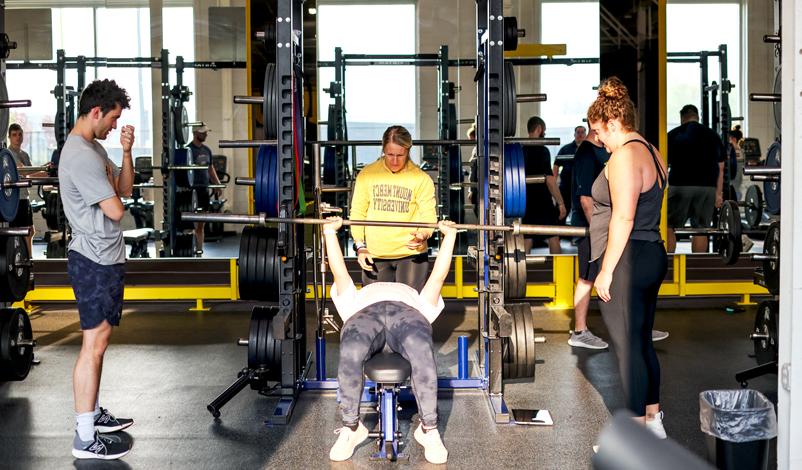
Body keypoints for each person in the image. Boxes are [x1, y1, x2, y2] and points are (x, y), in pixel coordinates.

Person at [326, 217, 455, 464]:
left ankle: (429, 429)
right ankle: (351, 428)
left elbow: (438, 277)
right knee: (352, 347)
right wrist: (329, 233)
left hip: (406, 312)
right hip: (365, 313)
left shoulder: (415, 297)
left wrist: (449, 237)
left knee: (420, 348)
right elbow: (339, 271)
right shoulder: (355, 298)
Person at [587, 77, 669, 439]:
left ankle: (636, 442)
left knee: (628, 350)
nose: (597, 139)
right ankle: (654, 423)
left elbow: (624, 216)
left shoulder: (624, 157)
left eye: (598, 131)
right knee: (641, 342)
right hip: (652, 252)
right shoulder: (652, 150)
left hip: (629, 258)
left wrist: (605, 271)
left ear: (613, 123)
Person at [59, 79, 135, 460]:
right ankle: (85, 436)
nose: (113, 125)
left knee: (100, 343)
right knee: (93, 344)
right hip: (92, 259)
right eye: (113, 119)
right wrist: (111, 185)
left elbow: (124, 186)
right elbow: (117, 209)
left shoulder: (96, 148)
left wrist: (124, 152)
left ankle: (93, 413)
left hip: (105, 255)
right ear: (95, 112)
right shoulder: (80, 155)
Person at [569, 128, 669, 349]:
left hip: (616, 230)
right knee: (588, 276)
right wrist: (600, 233)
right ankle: (580, 330)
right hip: (592, 227)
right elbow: (586, 199)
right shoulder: (586, 153)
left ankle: (637, 325)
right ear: (599, 128)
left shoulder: (622, 151)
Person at [350, 125, 437, 291]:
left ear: (408, 151)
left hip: (411, 255)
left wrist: (423, 234)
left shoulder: (421, 178)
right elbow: (358, 212)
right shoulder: (367, 174)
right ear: (383, 150)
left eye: (400, 155)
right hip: (375, 254)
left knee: (408, 310)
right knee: (375, 310)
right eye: (390, 155)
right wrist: (360, 247)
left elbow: (428, 215)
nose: (395, 161)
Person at [666, 104, 725, 253]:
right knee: (701, 228)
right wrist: (718, 194)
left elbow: (662, 166)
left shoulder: (673, 135)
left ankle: (668, 262)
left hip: (680, 185)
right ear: (697, 116)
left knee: (668, 225)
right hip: (707, 187)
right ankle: (698, 265)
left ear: (682, 118)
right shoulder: (713, 135)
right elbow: (721, 166)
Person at [522, 116, 566, 254]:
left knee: (527, 237)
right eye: (544, 130)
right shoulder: (543, 151)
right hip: (543, 202)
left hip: (526, 202)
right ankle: (560, 274)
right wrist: (561, 203)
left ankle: (520, 274)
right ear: (539, 129)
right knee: (553, 236)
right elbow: (550, 180)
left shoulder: (521, 150)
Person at [8, 123, 48, 253]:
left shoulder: (24, 154)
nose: (18, 138)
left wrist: (45, 169)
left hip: (24, 197)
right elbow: (25, 172)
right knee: (21, 233)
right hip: (14, 200)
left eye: (20, 134)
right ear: (9, 137)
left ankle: (29, 260)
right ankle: (25, 262)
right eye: (14, 135)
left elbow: (31, 174)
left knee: (30, 231)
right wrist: (44, 170)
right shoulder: (9, 154)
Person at [187, 124, 222, 255]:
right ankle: (189, 249)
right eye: (203, 132)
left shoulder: (207, 150)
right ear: (195, 133)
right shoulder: (188, 150)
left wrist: (217, 184)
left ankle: (199, 250)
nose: (206, 134)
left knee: (201, 224)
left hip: (203, 190)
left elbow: (210, 168)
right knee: (189, 223)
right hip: (190, 191)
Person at [553, 125, 587, 220]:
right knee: (560, 214)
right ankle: (561, 234)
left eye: (582, 132)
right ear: (574, 134)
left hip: (582, 187)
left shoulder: (589, 149)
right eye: (578, 132)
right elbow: (556, 165)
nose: (580, 134)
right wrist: (554, 183)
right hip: (566, 187)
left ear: (586, 134)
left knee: (581, 214)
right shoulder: (566, 149)